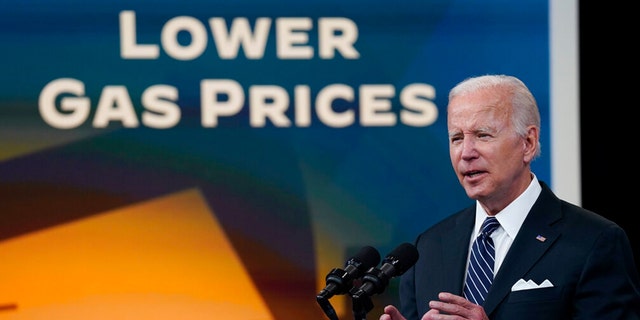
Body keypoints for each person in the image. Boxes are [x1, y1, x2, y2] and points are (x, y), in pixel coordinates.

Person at [379, 74, 640, 320]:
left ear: (528, 142)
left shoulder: (594, 241)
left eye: (482, 135)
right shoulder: (428, 247)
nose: (466, 152)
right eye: (456, 138)